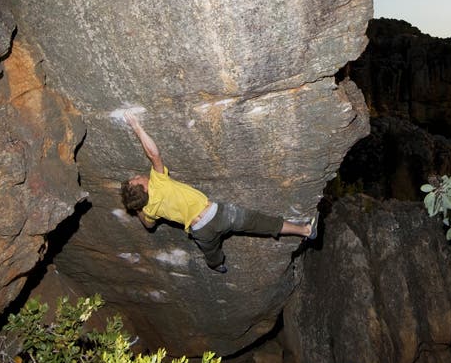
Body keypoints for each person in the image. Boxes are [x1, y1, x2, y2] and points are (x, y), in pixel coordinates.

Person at [120, 112, 317, 274]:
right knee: (261, 223)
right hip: (218, 215)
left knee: (211, 252)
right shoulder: (158, 182)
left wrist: (138, 208)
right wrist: (136, 126)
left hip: (200, 231)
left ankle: (216, 265)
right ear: (143, 188)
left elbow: (147, 224)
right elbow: (153, 153)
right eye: (136, 179)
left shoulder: (148, 209)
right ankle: (306, 231)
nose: (138, 175)